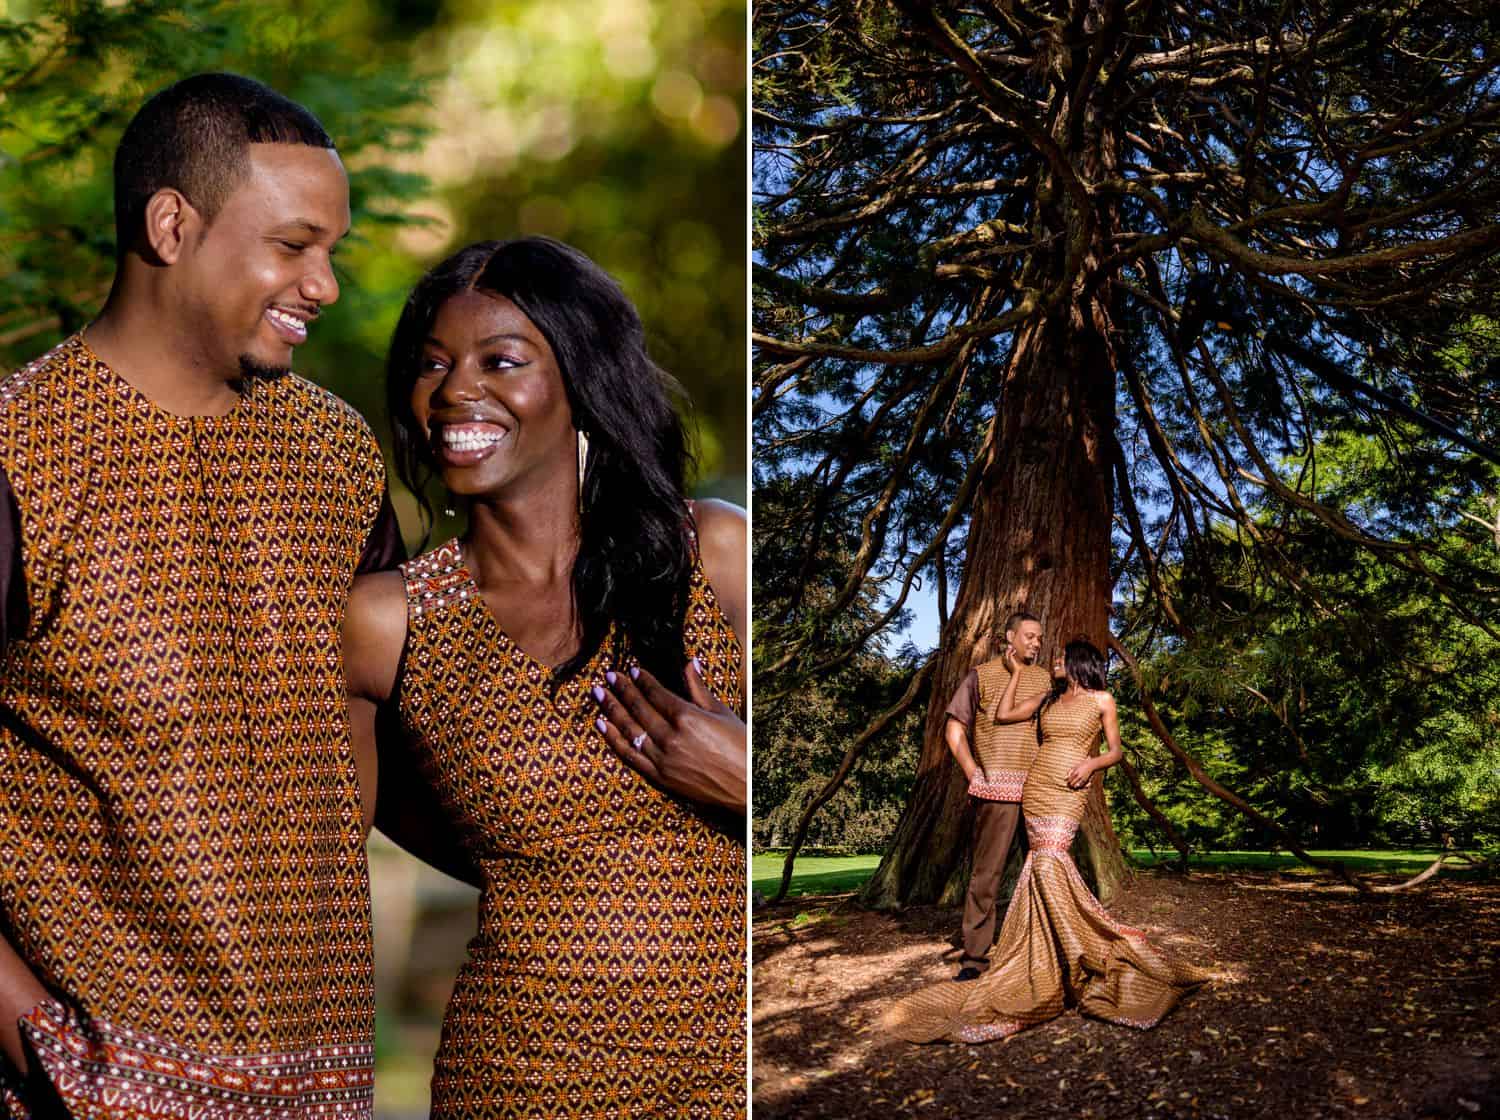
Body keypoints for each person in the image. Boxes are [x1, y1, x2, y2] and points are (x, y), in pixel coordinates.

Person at [0, 73, 401, 1118]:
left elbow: (373, 733)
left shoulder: (339, 456)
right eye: (294, 245)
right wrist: (55, 1055)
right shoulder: (16, 454)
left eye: (333, 251)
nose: (325, 285)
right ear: (172, 226)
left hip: (323, 1083)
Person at [343, 237, 748, 1118]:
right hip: (524, 1074)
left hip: (735, 1065)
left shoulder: (712, 554)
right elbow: (333, 862)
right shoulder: (386, 622)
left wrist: (746, 778)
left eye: (501, 361)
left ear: (581, 379)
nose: (455, 389)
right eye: (433, 364)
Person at [889, 639, 1208, 1043]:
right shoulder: (1048, 700)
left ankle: (1084, 945)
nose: (1054, 661)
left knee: (1050, 861)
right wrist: (1016, 674)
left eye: (1060, 657)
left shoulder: (1103, 700)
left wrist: (1092, 764)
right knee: (1039, 865)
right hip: (1037, 787)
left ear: (1077, 662)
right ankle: (1053, 949)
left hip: (1069, 791)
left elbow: (1115, 751)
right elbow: (1005, 714)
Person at [942, 611, 1054, 980]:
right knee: (986, 876)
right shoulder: (981, 675)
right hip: (996, 791)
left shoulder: (1046, 680)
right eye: (1029, 636)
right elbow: (954, 729)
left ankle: (1044, 949)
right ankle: (975, 957)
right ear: (1010, 637)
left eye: (1039, 638)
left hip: (1039, 790)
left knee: (1046, 871)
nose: (1036, 643)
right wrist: (973, 773)